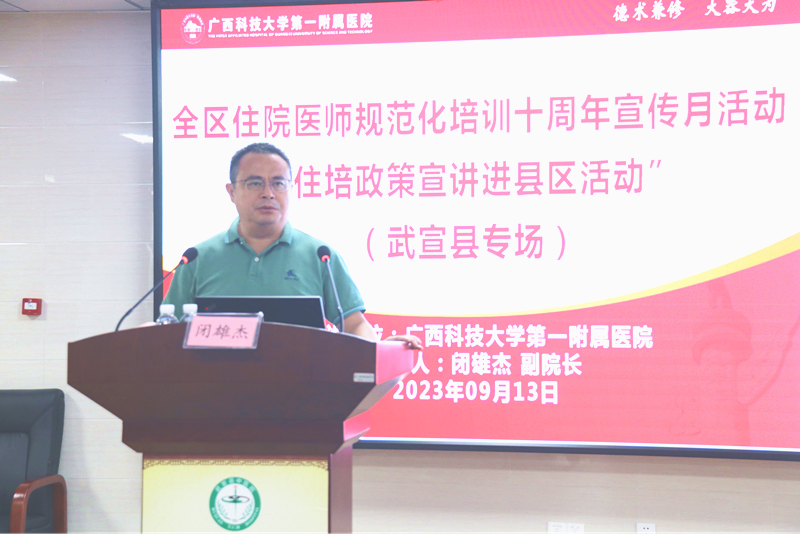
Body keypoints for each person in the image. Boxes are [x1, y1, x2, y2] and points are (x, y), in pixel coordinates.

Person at [164, 142, 421, 349]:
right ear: (231, 192)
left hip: (304, 388)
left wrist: (378, 351)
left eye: (278, 183)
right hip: (215, 391)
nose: (268, 193)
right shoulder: (197, 258)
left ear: (291, 189)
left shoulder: (320, 256)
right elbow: (167, 329)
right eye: (255, 183)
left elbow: (354, 325)